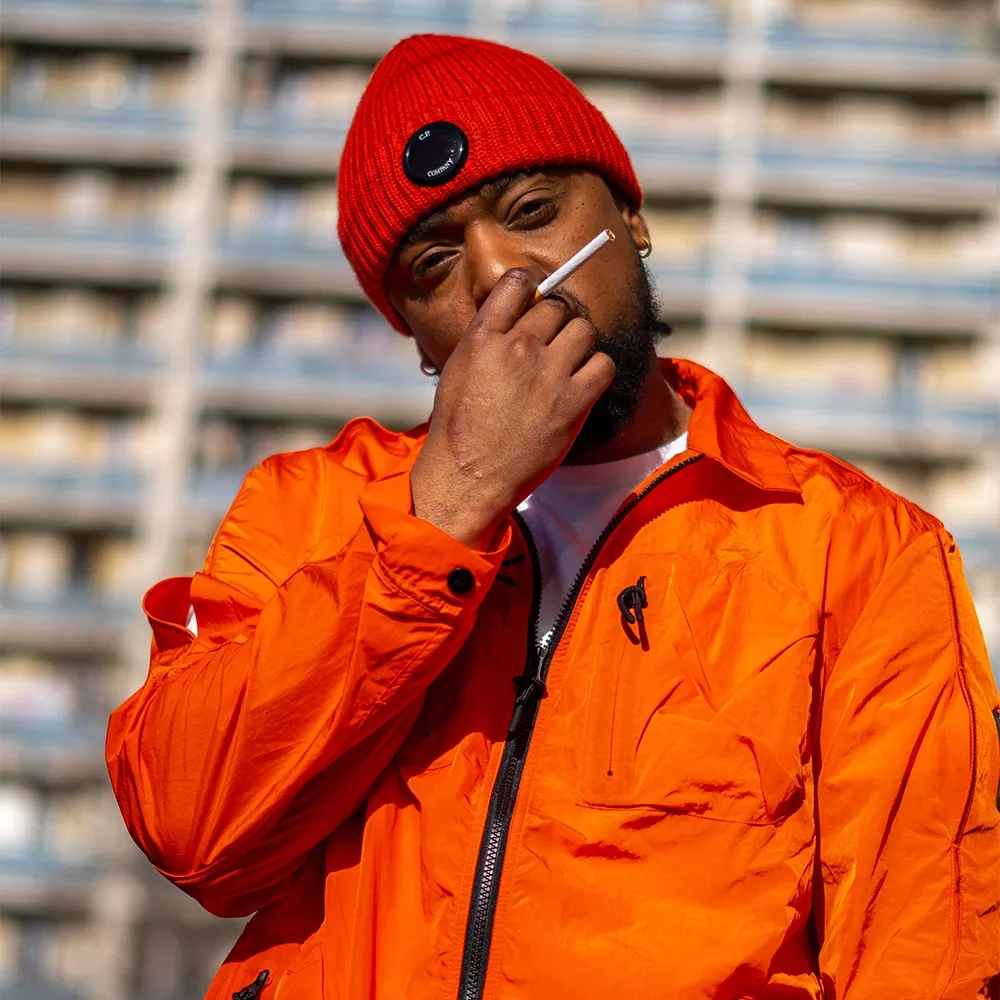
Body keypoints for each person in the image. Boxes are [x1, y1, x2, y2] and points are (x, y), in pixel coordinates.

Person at [107, 34, 1000, 1000]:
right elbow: (192, 833)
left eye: (533, 212)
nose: (501, 276)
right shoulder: (311, 507)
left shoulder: (851, 549)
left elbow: (923, 953)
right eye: (433, 262)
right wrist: (446, 510)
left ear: (631, 220)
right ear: (414, 334)